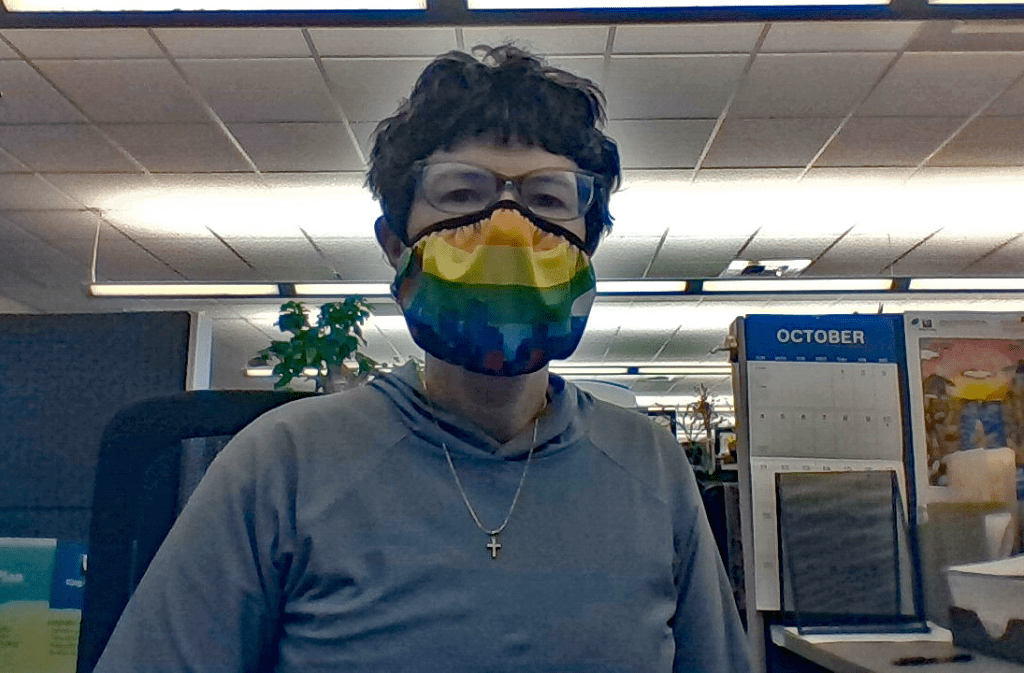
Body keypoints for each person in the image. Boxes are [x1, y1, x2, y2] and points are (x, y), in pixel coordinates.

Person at [93, 46, 753, 673]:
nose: (507, 228)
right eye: (462, 194)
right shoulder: (281, 465)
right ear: (394, 243)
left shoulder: (651, 465)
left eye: (548, 200)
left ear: (588, 244)